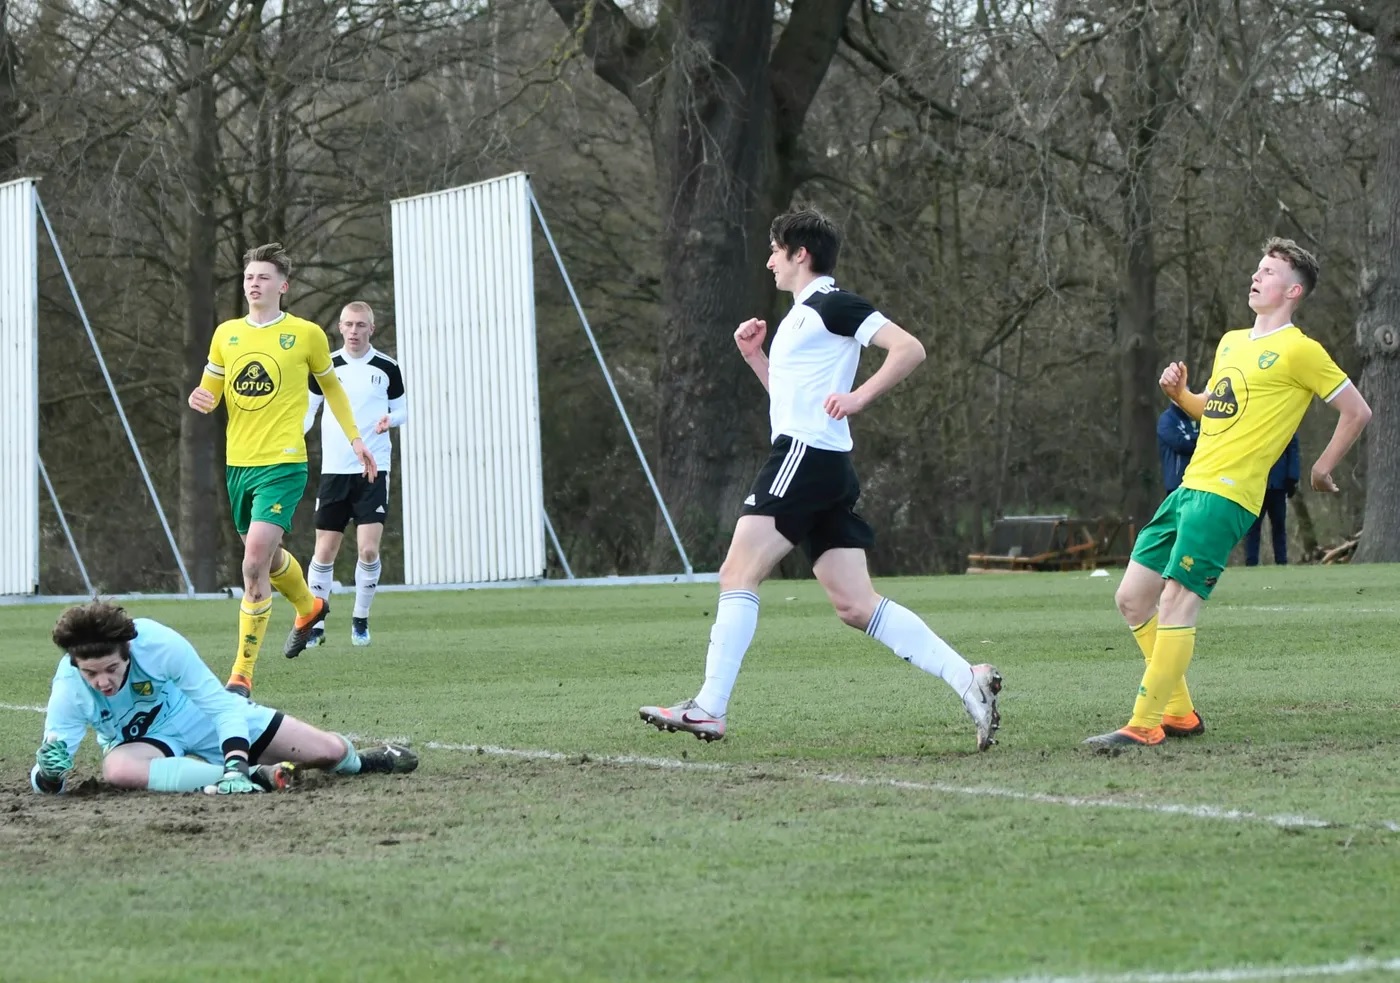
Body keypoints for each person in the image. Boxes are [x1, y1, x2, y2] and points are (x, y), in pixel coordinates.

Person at [638, 206, 1003, 751]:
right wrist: (755, 358)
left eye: (774, 251)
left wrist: (859, 396)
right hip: (823, 462)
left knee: (737, 571)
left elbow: (910, 348)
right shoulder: (800, 318)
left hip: (805, 458)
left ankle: (710, 707)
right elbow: (791, 403)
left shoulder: (833, 303)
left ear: (799, 254)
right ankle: (967, 678)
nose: (768, 262)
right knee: (855, 605)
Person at [1086, 238, 1371, 749]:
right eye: (1257, 268)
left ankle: (1143, 724)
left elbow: (1357, 411)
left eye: (1268, 271)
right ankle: (1179, 715)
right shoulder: (1232, 342)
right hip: (1189, 488)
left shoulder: (1301, 349)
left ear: (1293, 290)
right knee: (1132, 599)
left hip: (1227, 496)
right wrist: (1180, 396)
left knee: (1175, 602)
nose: (1256, 276)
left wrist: (1323, 467)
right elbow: (1216, 411)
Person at [186, 243, 378, 698]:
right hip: (239, 464)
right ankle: (309, 605)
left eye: (263, 277)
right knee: (267, 560)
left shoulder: (307, 334)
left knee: (252, 561)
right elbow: (211, 388)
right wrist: (202, 397)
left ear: (282, 286)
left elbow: (333, 392)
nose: (253, 283)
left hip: (284, 463)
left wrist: (355, 439)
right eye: (249, 277)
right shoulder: (226, 334)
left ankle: (241, 675)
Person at [29, 601, 417, 796]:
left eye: (111, 669)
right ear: (74, 663)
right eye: (90, 673)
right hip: (143, 743)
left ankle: (361, 761)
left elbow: (220, 705)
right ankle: (258, 779)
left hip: (197, 714)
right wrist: (48, 774)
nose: (103, 682)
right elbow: (49, 779)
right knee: (118, 769)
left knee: (328, 752)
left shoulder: (159, 644)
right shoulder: (68, 689)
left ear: (127, 650)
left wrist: (235, 760)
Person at [302, 302, 408, 648]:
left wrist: (389, 421)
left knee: (367, 551)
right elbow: (309, 410)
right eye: (348, 324)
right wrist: (291, 438)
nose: (353, 331)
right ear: (340, 327)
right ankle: (315, 622)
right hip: (335, 470)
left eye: (360, 325)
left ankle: (360, 619)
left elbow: (403, 410)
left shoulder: (387, 368)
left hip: (373, 470)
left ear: (371, 329)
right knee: (325, 550)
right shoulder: (326, 366)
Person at [1244, 434, 1301, 566]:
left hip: (1278, 484)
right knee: (1254, 525)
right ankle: (1251, 561)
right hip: (1257, 484)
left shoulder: (1287, 425)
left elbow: (1293, 452)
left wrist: (1292, 479)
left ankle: (1281, 560)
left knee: (1278, 525)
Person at [1157, 402, 1199, 492]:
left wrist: (1189, 437)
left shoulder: (1193, 418)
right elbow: (1180, 444)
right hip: (1176, 482)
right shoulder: (1167, 419)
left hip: (1196, 480)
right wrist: (1193, 439)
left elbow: (1203, 439)